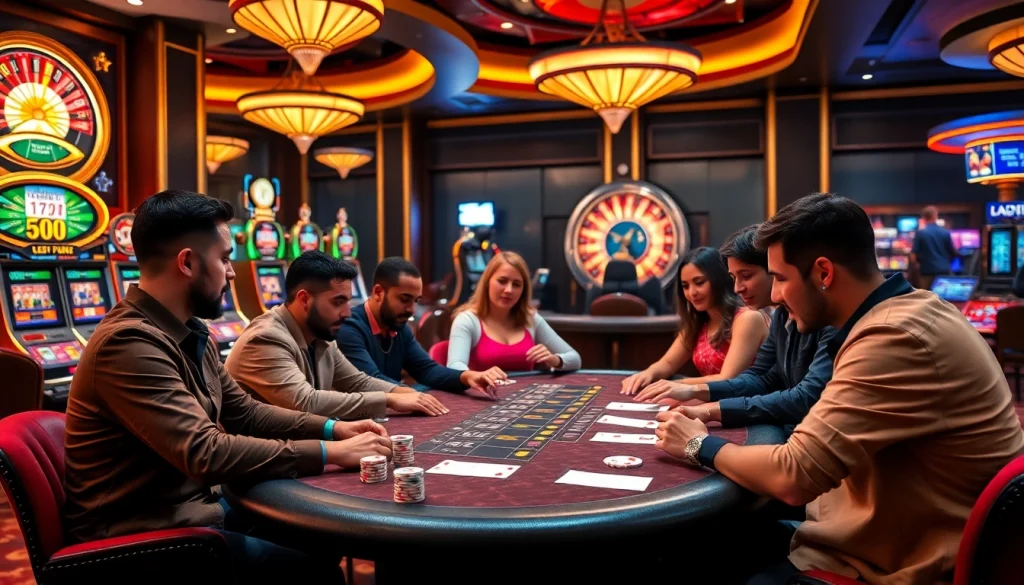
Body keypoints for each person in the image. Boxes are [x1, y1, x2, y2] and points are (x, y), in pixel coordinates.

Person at [655, 194, 1024, 585]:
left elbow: (793, 475)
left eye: (780, 278)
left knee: (677, 558)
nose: (775, 296)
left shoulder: (892, 337)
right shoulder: (905, 311)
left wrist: (698, 444)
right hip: (875, 534)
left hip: (893, 566)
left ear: (824, 273)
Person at [63, 191, 392, 582]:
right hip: (140, 541)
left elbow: (245, 412)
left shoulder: (188, 330)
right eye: (224, 258)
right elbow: (206, 453)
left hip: (194, 510)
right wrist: (331, 451)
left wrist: (334, 428)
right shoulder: (128, 344)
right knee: (313, 573)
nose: (233, 272)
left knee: (321, 539)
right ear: (187, 262)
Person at [632, 226, 835, 431]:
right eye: (685, 286)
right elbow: (762, 378)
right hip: (782, 422)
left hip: (797, 431)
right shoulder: (782, 315)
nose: (738, 288)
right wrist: (694, 392)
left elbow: (803, 397)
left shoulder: (755, 317)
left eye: (780, 278)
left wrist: (707, 407)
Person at [227, 251, 449, 419]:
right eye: (338, 302)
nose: (347, 312)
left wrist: (406, 394)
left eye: (348, 301)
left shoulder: (320, 335)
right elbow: (306, 401)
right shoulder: (266, 338)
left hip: (298, 449)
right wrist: (389, 399)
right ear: (304, 300)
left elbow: (357, 381)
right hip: (260, 467)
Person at [337, 257, 509, 397]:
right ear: (378, 292)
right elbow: (371, 381)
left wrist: (468, 376)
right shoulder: (349, 328)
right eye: (405, 300)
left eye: (416, 301)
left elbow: (427, 370)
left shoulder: (399, 327)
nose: (411, 309)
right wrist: (415, 393)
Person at [620, 246, 769, 396]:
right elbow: (667, 364)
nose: (692, 292)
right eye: (685, 286)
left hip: (745, 407)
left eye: (699, 282)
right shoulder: (698, 322)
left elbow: (727, 379)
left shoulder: (748, 318)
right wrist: (648, 374)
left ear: (718, 280)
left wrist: (676, 385)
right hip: (712, 402)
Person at [447, 251, 581, 373]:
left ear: (523, 290)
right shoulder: (467, 320)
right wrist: (478, 376)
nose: (509, 290)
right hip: (481, 397)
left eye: (516, 284)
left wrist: (554, 360)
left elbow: (575, 359)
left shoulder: (530, 318)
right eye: (502, 281)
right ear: (487, 282)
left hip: (526, 397)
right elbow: (454, 366)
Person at [911, 205, 956, 290]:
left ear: (924, 217)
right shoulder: (945, 232)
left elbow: (913, 256)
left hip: (926, 272)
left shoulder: (921, 233)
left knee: (927, 299)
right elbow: (953, 252)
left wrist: (916, 270)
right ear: (935, 215)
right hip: (944, 271)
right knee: (943, 299)